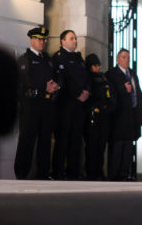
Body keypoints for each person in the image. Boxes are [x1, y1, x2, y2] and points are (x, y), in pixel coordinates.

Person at [14, 26, 59, 179]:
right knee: (27, 139)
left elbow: (56, 77)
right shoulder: (25, 59)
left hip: (47, 104)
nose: (42, 42)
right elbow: (25, 80)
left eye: (44, 40)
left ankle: (43, 174)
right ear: (31, 40)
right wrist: (43, 86)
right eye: (39, 39)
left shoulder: (48, 59)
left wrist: (56, 86)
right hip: (31, 104)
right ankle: (21, 174)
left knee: (45, 141)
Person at [51, 30, 90, 180]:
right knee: (62, 138)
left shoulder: (79, 58)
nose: (75, 41)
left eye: (75, 38)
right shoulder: (58, 58)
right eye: (71, 38)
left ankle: (73, 172)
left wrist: (87, 91)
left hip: (79, 105)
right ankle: (58, 172)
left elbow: (86, 77)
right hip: (64, 104)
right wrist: (78, 93)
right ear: (63, 41)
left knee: (76, 138)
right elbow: (63, 80)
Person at [106, 48, 142, 181]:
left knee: (128, 145)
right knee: (118, 145)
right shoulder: (111, 74)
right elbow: (110, 93)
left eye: (128, 57)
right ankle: (115, 175)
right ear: (118, 59)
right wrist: (123, 89)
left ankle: (125, 173)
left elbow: (139, 94)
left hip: (132, 115)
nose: (126, 60)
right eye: (123, 57)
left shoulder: (132, 73)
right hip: (118, 116)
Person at [84, 53, 116, 180]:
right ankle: (91, 172)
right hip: (92, 116)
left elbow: (111, 95)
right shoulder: (88, 79)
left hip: (104, 116)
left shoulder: (104, 79)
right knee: (92, 146)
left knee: (101, 146)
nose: (97, 68)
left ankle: (99, 171)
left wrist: (108, 107)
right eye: (94, 66)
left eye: (98, 65)